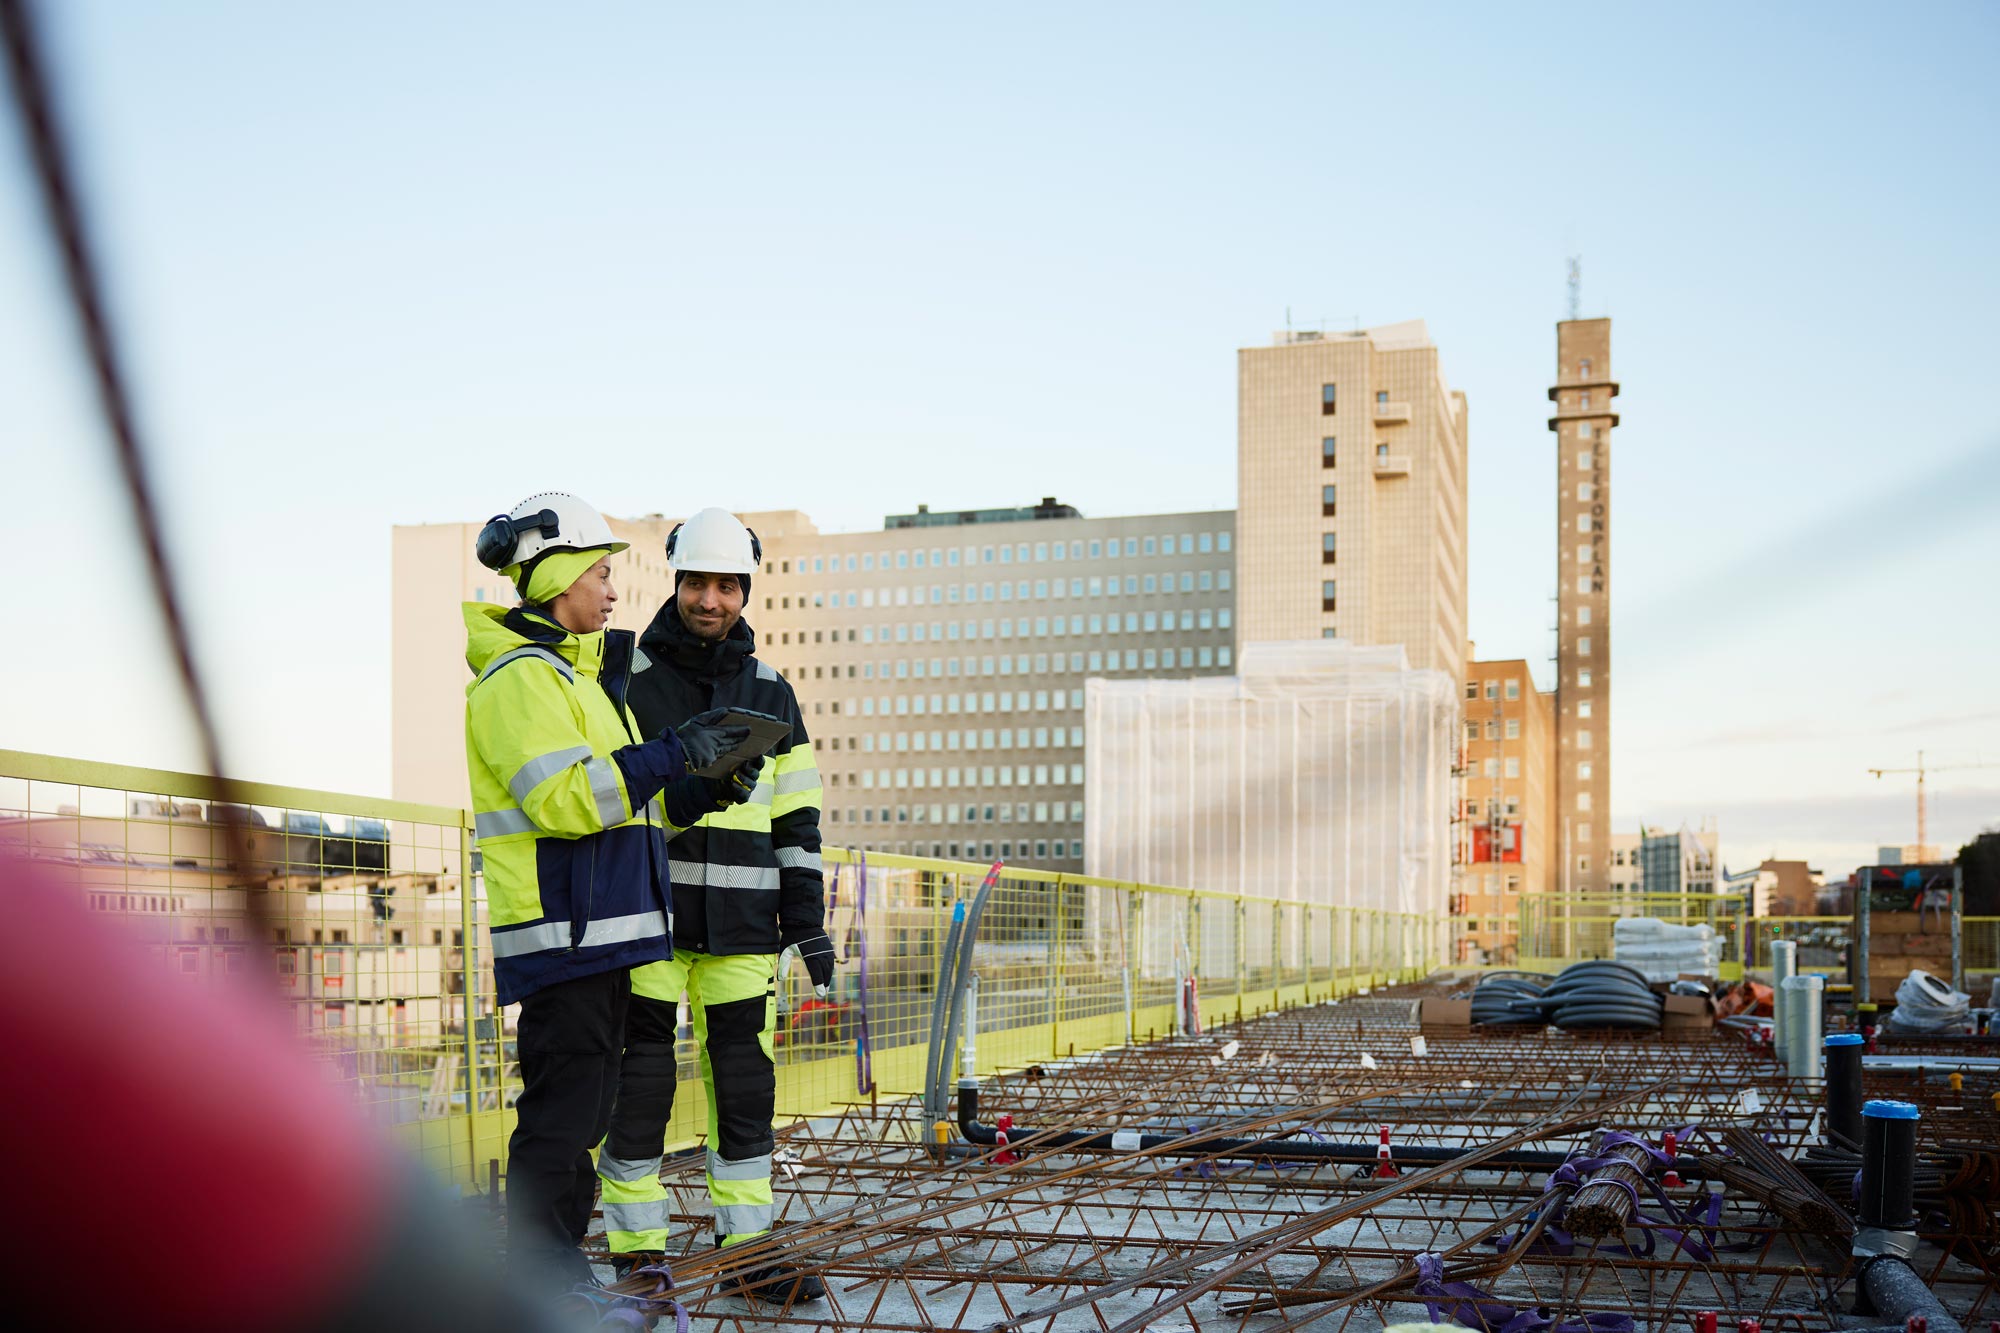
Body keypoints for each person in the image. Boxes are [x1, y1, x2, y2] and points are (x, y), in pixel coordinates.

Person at [464, 492, 757, 1295]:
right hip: (561, 929)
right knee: (562, 1115)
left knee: (581, 1111)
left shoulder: (575, 680)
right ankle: (541, 1273)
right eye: (599, 572)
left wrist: (707, 788)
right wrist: (670, 752)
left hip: (595, 929)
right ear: (557, 577)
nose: (612, 588)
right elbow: (565, 800)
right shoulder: (522, 680)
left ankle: (555, 1265)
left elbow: (633, 804)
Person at [597, 507, 833, 1302]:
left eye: (727, 584)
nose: (712, 598)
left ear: (745, 589)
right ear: (676, 580)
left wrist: (808, 923)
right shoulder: (625, 679)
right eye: (698, 581)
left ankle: (749, 1247)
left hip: (742, 930)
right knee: (641, 1084)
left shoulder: (773, 690)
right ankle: (638, 1253)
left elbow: (797, 817)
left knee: (744, 1085)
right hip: (647, 920)